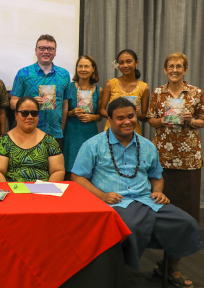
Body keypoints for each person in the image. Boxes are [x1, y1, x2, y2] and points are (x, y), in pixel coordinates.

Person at [72, 97, 203, 287]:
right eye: (120, 118)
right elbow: (78, 177)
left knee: (186, 222)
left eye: (131, 116)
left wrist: (158, 191)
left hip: (147, 200)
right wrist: (102, 196)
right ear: (109, 119)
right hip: (113, 203)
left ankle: (169, 267)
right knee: (129, 225)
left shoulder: (148, 146)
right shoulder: (93, 145)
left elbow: (156, 176)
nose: (127, 121)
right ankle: (121, 273)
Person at [147, 52, 204, 223]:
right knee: (164, 195)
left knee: (188, 197)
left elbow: (203, 120)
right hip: (163, 153)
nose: (174, 70)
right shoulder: (158, 92)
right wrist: (161, 121)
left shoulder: (196, 92)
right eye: (171, 66)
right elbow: (150, 119)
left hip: (188, 156)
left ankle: (188, 232)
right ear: (165, 70)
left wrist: (191, 120)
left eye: (179, 66)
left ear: (185, 69)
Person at [9, 34, 70, 150]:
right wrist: (30, 102)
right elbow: (13, 103)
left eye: (50, 49)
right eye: (42, 48)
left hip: (55, 133)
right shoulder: (23, 73)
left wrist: (61, 129)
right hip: (28, 131)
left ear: (55, 52)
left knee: (53, 167)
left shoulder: (64, 74)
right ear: (36, 51)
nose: (46, 51)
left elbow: (65, 105)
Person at [0, 97, 65, 182]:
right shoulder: (4, 141)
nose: (30, 117)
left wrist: (47, 192)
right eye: (24, 113)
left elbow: (58, 171)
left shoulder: (49, 141)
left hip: (42, 192)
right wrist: (9, 193)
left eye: (34, 113)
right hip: (13, 192)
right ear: (16, 115)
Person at [63, 55, 102, 179]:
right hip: (71, 133)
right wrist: (72, 113)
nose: (83, 69)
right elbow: (62, 111)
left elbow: (101, 115)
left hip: (89, 133)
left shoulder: (98, 90)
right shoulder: (68, 87)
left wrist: (93, 118)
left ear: (93, 69)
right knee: (69, 168)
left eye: (86, 66)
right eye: (80, 66)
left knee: (88, 168)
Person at [100, 49, 150, 134]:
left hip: (132, 131)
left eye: (129, 61)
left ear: (136, 63)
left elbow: (145, 117)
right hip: (113, 129)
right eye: (121, 63)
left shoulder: (144, 87)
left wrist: (136, 114)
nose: (125, 65)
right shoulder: (111, 84)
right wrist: (113, 115)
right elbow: (101, 110)